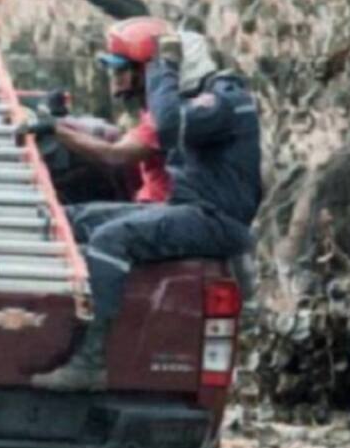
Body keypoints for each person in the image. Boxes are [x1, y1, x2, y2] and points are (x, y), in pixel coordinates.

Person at [29, 25, 262, 392]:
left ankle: (90, 364)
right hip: (189, 208)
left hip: (216, 219)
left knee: (111, 239)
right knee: (78, 218)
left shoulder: (224, 100)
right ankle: (39, 335)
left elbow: (167, 126)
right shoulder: (198, 102)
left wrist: (162, 66)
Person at [18, 16, 173, 204]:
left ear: (146, 72)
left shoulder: (165, 114)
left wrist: (55, 128)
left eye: (121, 69)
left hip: (159, 206)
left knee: (76, 220)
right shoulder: (156, 106)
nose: (114, 77)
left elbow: (116, 155)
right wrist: (64, 123)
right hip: (148, 199)